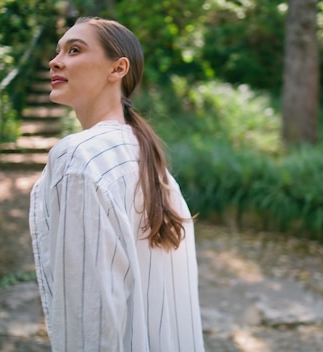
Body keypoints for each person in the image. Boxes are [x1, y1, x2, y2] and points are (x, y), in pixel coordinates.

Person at [29, 17, 205, 351]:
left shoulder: (80, 158)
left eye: (74, 49)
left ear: (118, 68)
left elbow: (89, 316)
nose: (55, 61)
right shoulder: (154, 167)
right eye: (58, 51)